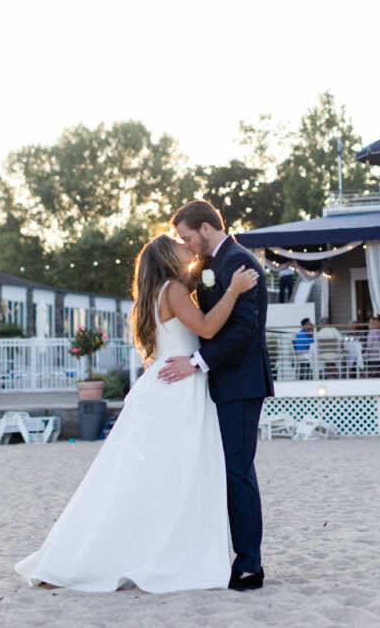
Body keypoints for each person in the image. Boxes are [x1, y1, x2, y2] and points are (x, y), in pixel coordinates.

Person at [16, 233, 258, 592]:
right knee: (177, 476)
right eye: (179, 245)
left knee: (148, 480)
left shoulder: (158, 291)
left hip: (162, 384)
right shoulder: (174, 289)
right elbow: (207, 327)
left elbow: (193, 294)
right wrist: (234, 290)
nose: (186, 248)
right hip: (178, 390)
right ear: (166, 256)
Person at [160, 200, 273, 592]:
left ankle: (249, 566)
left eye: (188, 237)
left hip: (240, 383)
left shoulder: (238, 264)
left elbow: (245, 330)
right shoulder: (210, 265)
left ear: (206, 229)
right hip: (222, 384)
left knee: (238, 473)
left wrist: (197, 361)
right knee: (225, 472)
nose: (187, 245)